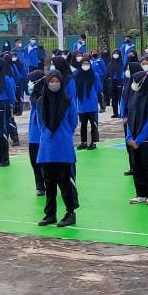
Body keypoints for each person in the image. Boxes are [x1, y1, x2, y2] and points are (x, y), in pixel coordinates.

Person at [33, 69, 79, 227]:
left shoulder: (68, 101)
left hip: (63, 147)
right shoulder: (41, 102)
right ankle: (50, 214)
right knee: (49, 184)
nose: (54, 84)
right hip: (47, 148)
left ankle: (70, 213)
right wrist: (47, 134)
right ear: (46, 83)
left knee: (65, 183)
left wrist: (64, 133)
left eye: (56, 81)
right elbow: (40, 123)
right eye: (51, 81)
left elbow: (73, 121)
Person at [125, 70, 148, 205]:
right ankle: (140, 193)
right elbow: (130, 117)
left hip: (146, 140)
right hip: (133, 139)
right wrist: (129, 137)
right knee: (136, 166)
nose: (133, 84)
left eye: (135, 81)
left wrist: (138, 140)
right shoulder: (133, 97)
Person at [73, 56, 101, 150]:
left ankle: (93, 142)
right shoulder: (77, 76)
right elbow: (74, 89)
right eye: (84, 64)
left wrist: (92, 95)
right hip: (81, 105)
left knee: (94, 124)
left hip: (92, 105)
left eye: (87, 64)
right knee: (83, 124)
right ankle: (83, 142)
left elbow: (98, 88)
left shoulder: (94, 75)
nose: (86, 65)